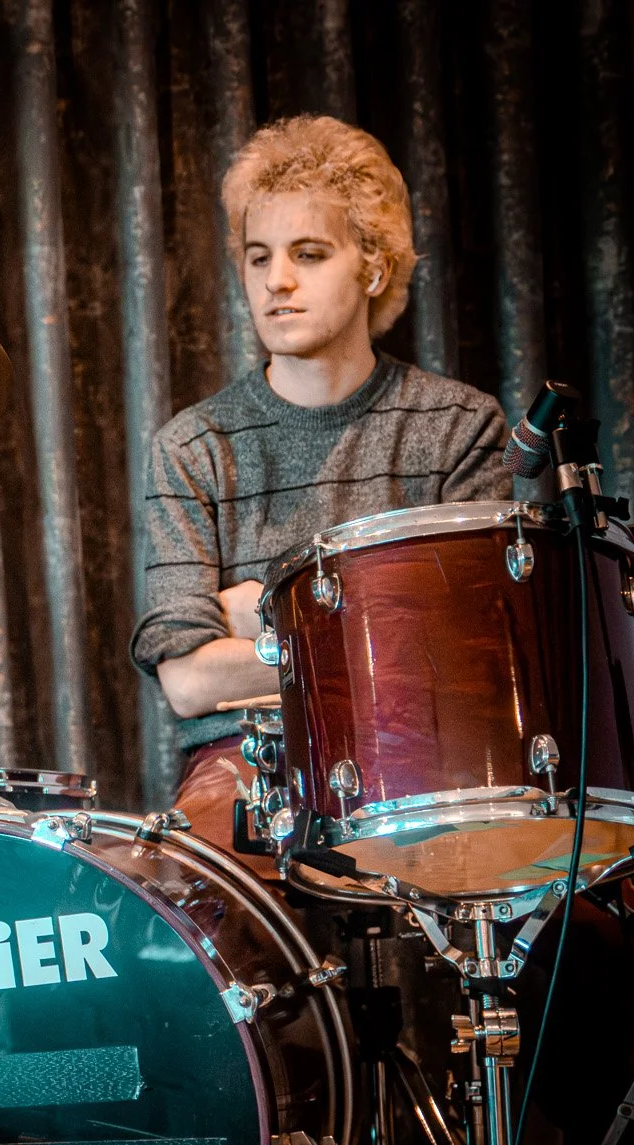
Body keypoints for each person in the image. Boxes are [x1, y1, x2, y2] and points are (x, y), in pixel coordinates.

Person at [129, 115, 511, 863]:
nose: (277, 281)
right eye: (258, 256)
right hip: (249, 759)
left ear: (372, 268)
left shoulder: (459, 425)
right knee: (199, 903)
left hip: (429, 753)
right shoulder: (192, 447)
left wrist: (261, 622)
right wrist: (377, 626)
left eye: (309, 254)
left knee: (596, 931)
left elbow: (466, 651)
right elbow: (186, 683)